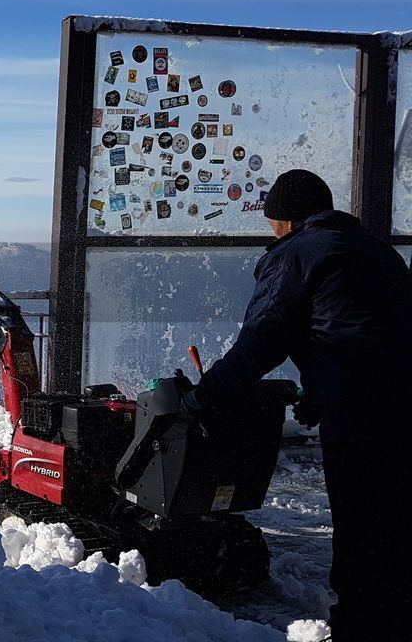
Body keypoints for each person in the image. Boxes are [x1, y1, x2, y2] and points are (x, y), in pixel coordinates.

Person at [187, 169, 412, 642]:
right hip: (398, 407)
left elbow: (261, 342)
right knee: (393, 525)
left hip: (362, 418)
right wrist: (318, 394)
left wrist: (202, 396)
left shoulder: (296, 255)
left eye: (271, 220)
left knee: (362, 530)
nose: (270, 229)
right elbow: (367, 333)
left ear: (286, 219)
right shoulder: (378, 251)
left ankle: (363, 628)